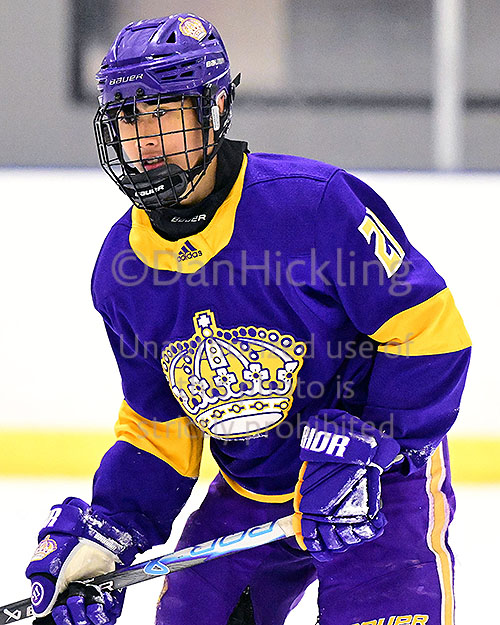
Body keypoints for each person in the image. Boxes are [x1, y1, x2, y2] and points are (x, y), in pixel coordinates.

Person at [26, 13, 471, 625]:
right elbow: (160, 427)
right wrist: (109, 533)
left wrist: (376, 447)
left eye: (164, 112)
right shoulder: (121, 271)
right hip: (251, 495)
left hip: (377, 488)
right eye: (128, 117)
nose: (145, 138)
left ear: (214, 110)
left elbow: (430, 333)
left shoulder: (312, 205)